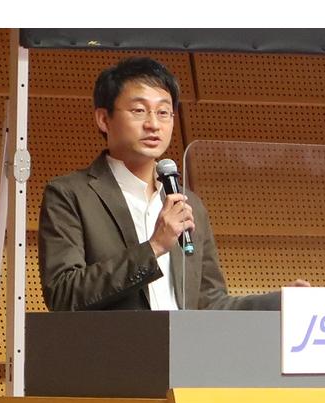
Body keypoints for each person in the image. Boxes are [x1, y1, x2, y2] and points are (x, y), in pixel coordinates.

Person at [38, 57, 308, 312]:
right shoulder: (70, 194)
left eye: (164, 112)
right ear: (104, 119)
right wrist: (154, 247)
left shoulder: (187, 203)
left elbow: (208, 303)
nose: (153, 124)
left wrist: (274, 303)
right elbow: (63, 292)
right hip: (114, 345)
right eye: (139, 110)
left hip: (184, 345)